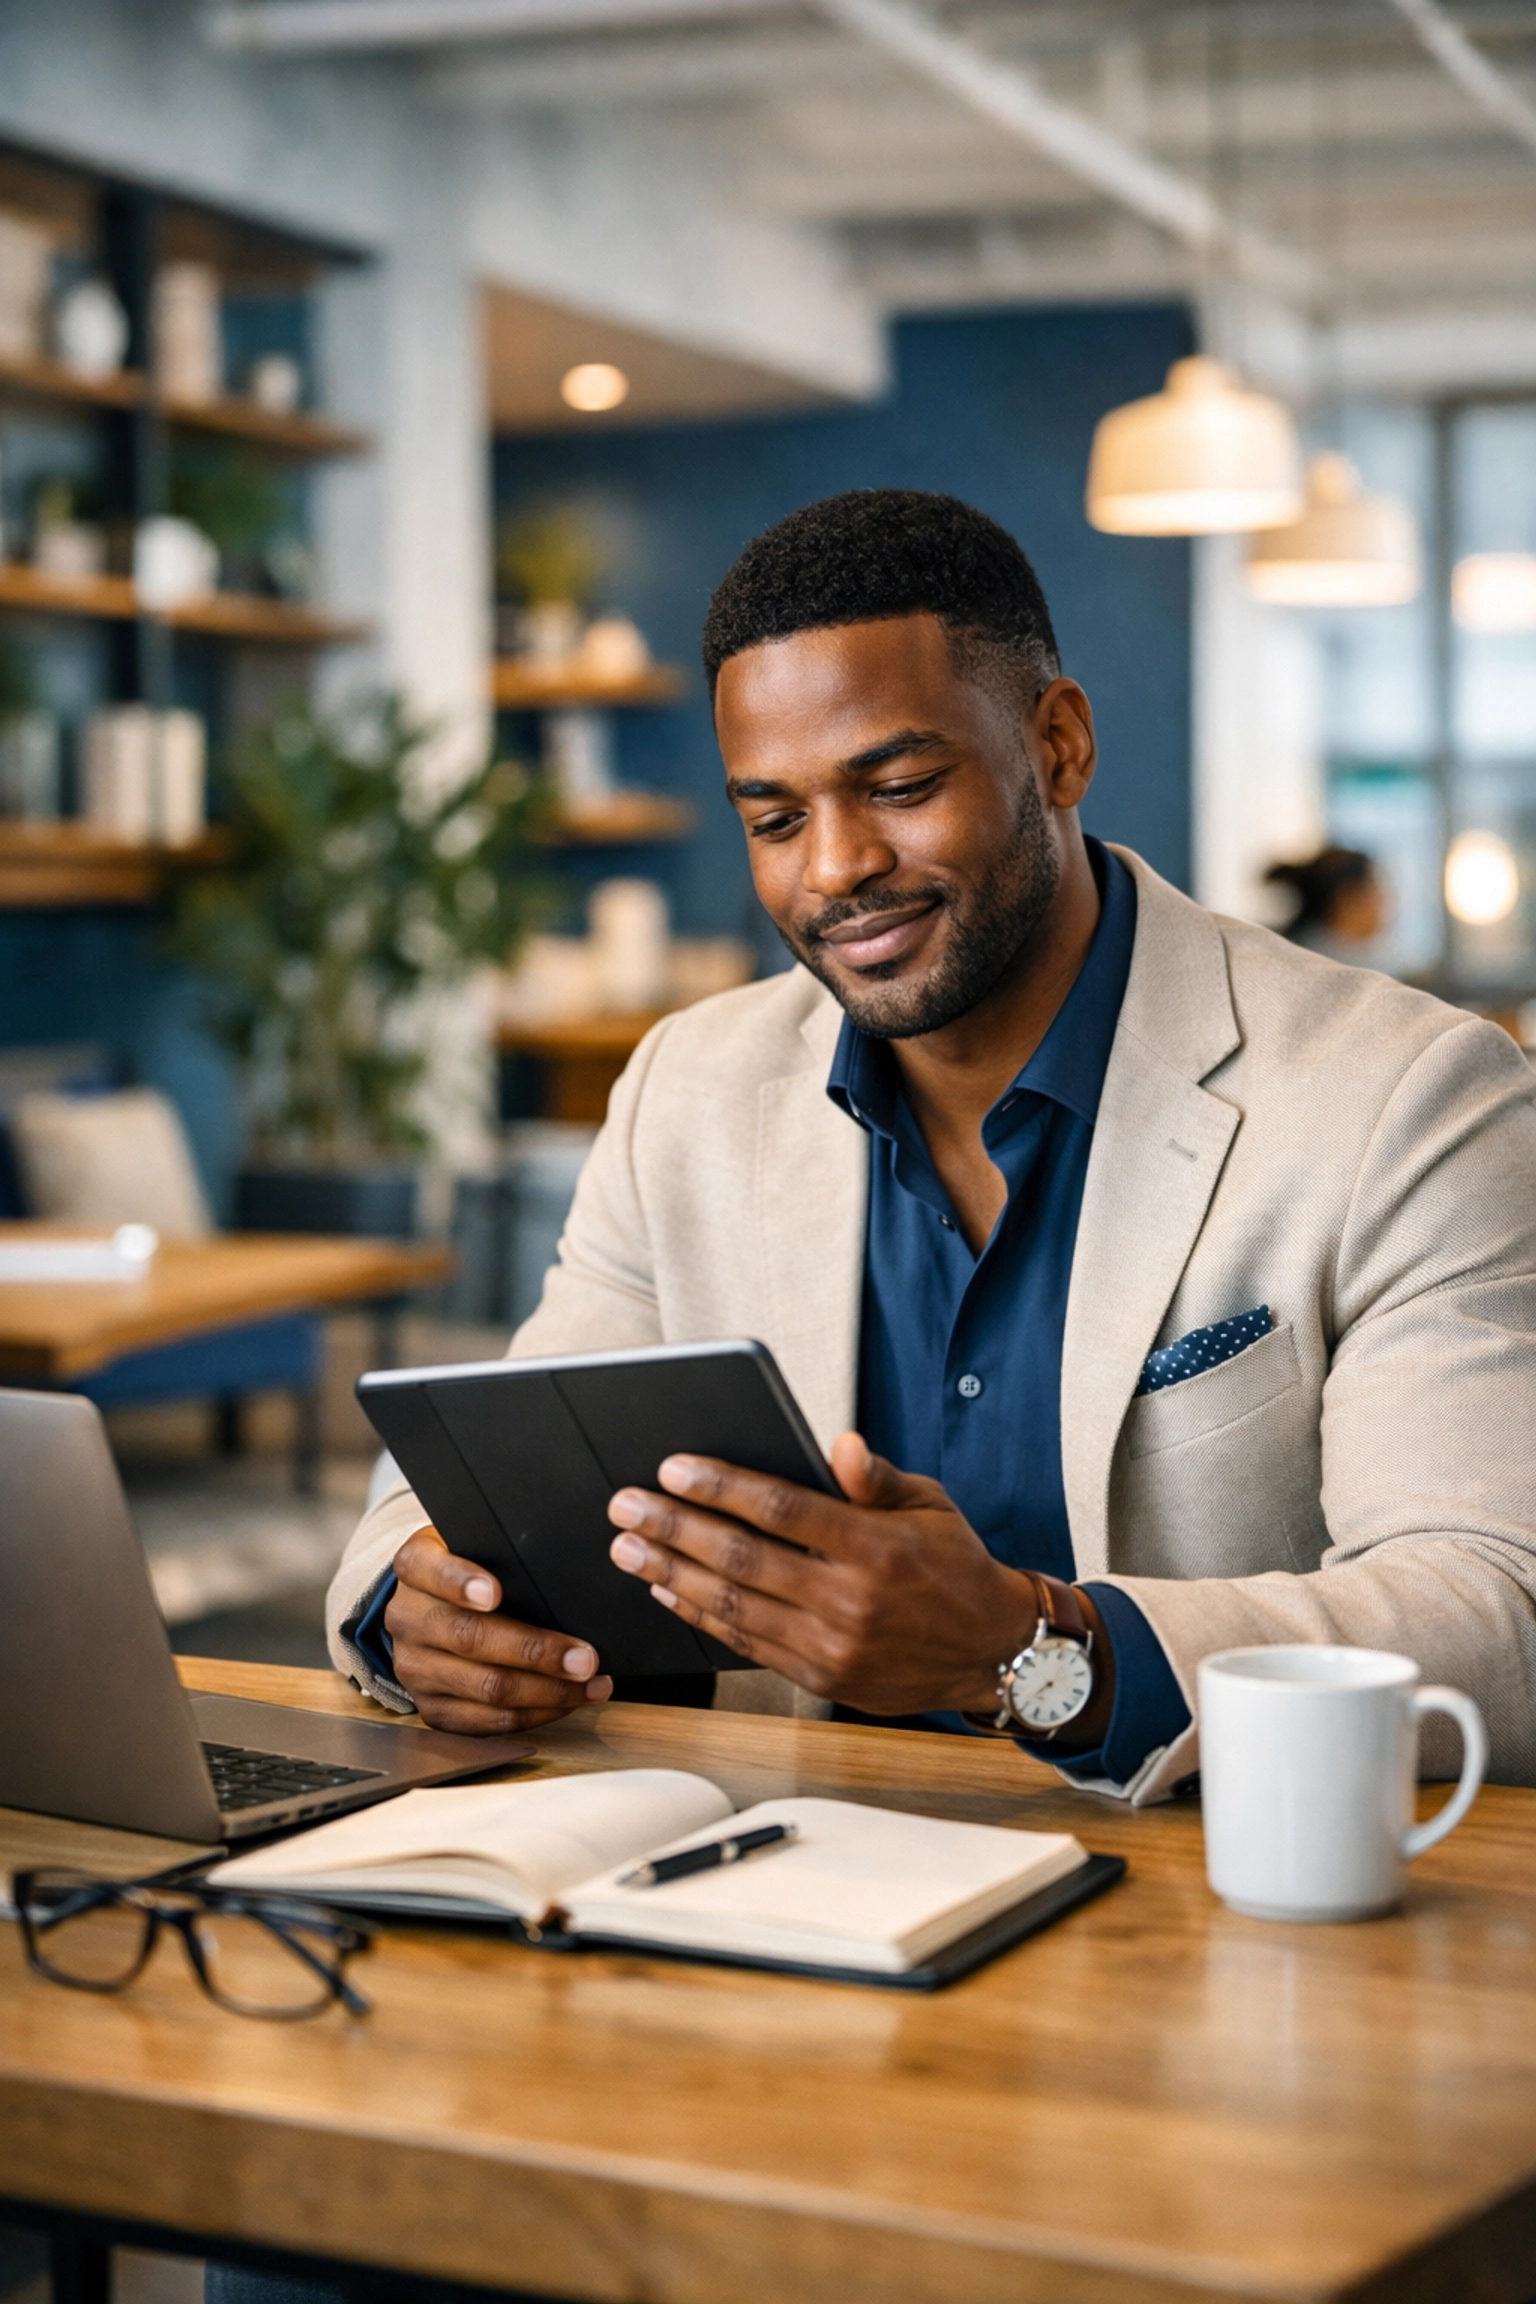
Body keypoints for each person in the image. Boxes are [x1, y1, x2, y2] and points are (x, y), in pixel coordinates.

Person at [328, 488, 1536, 1803]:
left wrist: (1021, 1648)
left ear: (1058, 746)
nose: (836, 867)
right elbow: (493, 1469)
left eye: (898, 787)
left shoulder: (1411, 1097)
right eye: (775, 820)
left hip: (1216, 1893)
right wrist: (413, 1599)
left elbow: (1498, 1616)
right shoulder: (692, 1088)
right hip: (785, 1892)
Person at [1264, 845, 1388, 957]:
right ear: (1345, 899)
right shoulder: (1317, 964)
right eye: (1374, 887)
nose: (1382, 900)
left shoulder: (1285, 948)